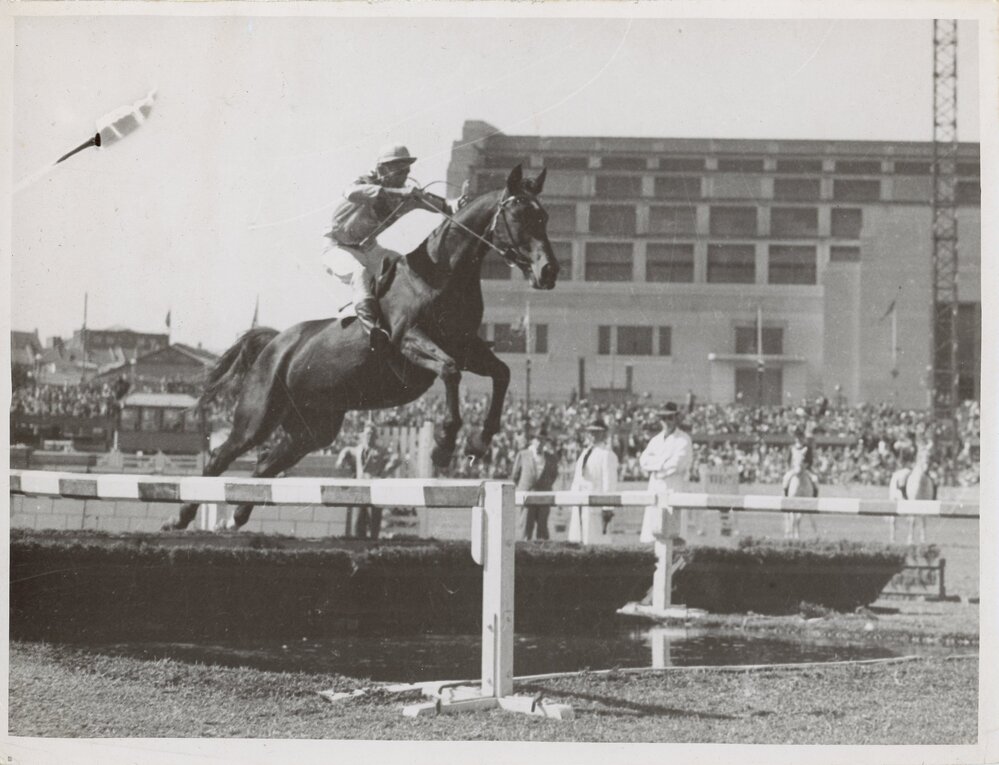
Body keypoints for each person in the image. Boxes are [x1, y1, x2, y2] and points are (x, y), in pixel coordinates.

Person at [321, 144, 468, 352]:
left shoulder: (405, 196)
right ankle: (371, 330)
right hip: (337, 246)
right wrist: (397, 192)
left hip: (369, 248)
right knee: (359, 273)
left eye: (407, 171)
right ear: (382, 170)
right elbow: (350, 192)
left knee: (405, 269)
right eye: (399, 170)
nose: (405, 175)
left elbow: (443, 206)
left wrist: (457, 204)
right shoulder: (365, 182)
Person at [638, 402, 693, 544]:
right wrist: (663, 463)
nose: (666, 422)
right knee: (651, 534)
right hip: (655, 488)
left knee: (673, 536)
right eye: (663, 418)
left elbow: (677, 464)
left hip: (674, 488)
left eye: (670, 418)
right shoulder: (655, 440)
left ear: (676, 418)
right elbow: (644, 461)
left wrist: (656, 465)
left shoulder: (683, 440)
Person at [336, 422, 401, 539]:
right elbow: (346, 450)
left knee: (374, 524)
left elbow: (397, 458)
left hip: (374, 491)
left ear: (376, 436)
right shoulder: (357, 450)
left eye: (371, 434)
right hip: (359, 492)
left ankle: (373, 549)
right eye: (366, 434)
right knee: (357, 524)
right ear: (362, 436)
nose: (369, 436)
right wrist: (341, 459)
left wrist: (384, 473)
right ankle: (358, 547)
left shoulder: (381, 451)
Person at [568, 417, 620, 542]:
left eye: (597, 432)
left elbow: (610, 482)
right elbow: (578, 478)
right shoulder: (585, 452)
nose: (593, 435)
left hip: (596, 506)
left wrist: (607, 508)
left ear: (604, 433)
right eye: (591, 432)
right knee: (578, 541)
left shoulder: (607, 454)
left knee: (596, 541)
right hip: (580, 503)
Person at [510, 431, 558, 540]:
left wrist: (544, 486)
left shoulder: (551, 458)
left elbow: (553, 475)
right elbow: (515, 476)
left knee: (543, 530)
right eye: (537, 439)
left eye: (543, 440)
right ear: (532, 440)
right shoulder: (523, 455)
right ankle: (524, 554)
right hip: (527, 497)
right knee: (526, 530)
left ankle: (543, 555)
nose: (540, 442)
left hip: (544, 497)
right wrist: (525, 488)